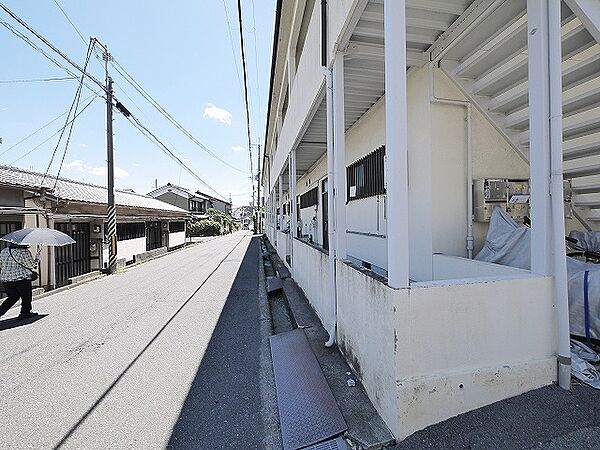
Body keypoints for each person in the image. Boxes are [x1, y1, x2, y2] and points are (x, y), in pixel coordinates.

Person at [0, 243, 40, 320]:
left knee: (12, 297)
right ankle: (25, 313)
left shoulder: (4, 251)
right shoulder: (23, 251)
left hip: (6, 279)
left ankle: (0, 311)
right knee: (26, 297)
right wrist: (37, 259)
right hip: (20, 279)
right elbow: (31, 265)